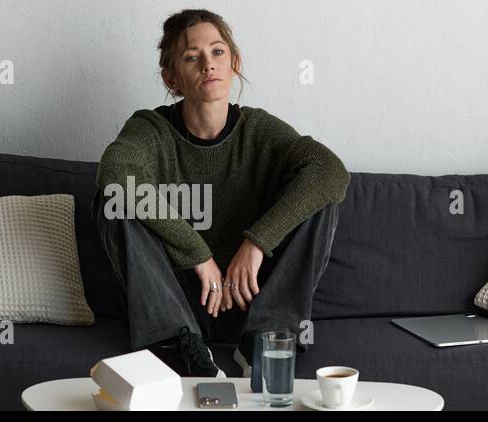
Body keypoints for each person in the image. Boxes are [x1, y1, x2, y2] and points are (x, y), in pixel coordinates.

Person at [95, 9, 349, 377]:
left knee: (321, 196)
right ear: (172, 79)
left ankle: (266, 340)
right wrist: (199, 255)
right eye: (191, 57)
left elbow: (331, 170)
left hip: (252, 302)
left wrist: (257, 243)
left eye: (217, 52)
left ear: (234, 62)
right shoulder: (150, 129)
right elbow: (115, 172)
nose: (207, 65)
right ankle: (175, 348)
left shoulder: (259, 129)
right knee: (113, 202)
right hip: (179, 304)